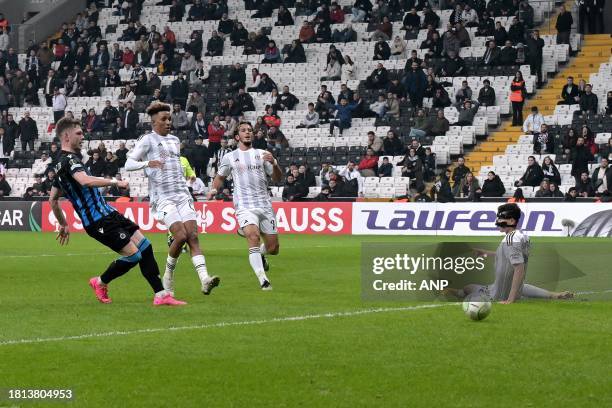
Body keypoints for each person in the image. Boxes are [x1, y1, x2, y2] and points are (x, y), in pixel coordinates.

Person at [48, 117, 185, 306]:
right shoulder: (69, 160)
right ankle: (100, 282)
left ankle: (161, 295)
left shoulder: (59, 163)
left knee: (145, 246)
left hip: (108, 213)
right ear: (66, 135)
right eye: (78, 133)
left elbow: (53, 199)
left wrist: (63, 224)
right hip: (97, 221)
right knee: (134, 255)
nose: (83, 136)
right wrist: (115, 181)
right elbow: (85, 181)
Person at [125, 102, 220, 298]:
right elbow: (128, 163)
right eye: (164, 119)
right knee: (181, 236)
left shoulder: (175, 140)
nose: (169, 122)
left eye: (169, 119)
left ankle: (205, 279)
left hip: (182, 194)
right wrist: (147, 163)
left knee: (192, 236)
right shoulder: (147, 140)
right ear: (154, 123)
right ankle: (168, 276)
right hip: (163, 197)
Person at [208, 122, 282, 290]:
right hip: (244, 205)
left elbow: (277, 178)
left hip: (264, 206)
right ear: (237, 137)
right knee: (253, 237)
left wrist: (275, 164)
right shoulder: (229, 157)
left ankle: (262, 254)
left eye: (250, 130)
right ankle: (263, 280)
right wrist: (213, 189)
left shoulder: (263, 154)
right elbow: (220, 177)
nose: (247, 132)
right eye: (243, 130)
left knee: (273, 248)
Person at [449, 203, 574, 303]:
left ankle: (454, 292)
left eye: (501, 217)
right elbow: (509, 257)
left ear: (511, 220)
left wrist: (510, 299)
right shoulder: (522, 236)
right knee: (523, 286)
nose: (498, 220)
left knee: (468, 288)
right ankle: (552, 295)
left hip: (497, 294)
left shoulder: (511, 239)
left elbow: (519, 268)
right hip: (512, 287)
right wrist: (485, 253)